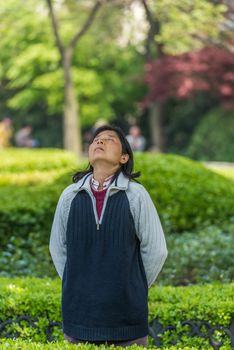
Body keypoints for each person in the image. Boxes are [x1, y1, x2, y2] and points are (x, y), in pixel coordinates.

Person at [49, 125, 168, 347]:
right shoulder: (70, 196)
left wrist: (133, 286)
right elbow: (57, 247)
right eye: (96, 139)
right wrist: (77, 283)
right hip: (78, 316)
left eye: (109, 139)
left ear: (124, 157)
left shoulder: (136, 195)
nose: (100, 142)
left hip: (127, 317)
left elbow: (156, 250)